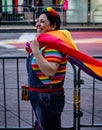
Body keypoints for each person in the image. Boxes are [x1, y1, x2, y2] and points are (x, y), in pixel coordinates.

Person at [25, 7, 68, 130]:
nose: (38, 24)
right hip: (40, 96)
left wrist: (36, 51)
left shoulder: (54, 45)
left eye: (43, 21)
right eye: (38, 21)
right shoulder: (43, 44)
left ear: (53, 26)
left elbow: (50, 71)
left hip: (48, 98)